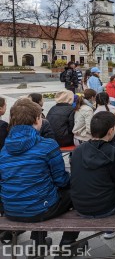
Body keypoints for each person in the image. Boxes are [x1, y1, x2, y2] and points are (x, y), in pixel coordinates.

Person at [0, 99, 83, 257]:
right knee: (77, 193)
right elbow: (61, 180)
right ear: (37, 119)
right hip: (42, 209)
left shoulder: (5, 149)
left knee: (39, 191)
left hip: (11, 209)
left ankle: (39, 244)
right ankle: (67, 245)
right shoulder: (47, 145)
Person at [70, 111, 115, 218]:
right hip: (105, 207)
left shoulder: (77, 151)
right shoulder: (114, 153)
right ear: (111, 130)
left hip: (80, 206)